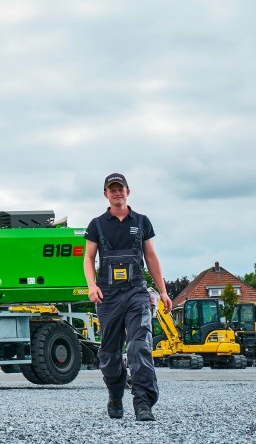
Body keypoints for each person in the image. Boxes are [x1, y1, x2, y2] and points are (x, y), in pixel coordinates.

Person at [83, 173, 171, 422]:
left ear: (128, 192)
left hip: (136, 292)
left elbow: (151, 257)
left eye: (120, 188)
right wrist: (92, 286)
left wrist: (162, 291)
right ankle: (115, 395)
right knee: (109, 354)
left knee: (139, 347)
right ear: (106, 194)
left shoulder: (142, 222)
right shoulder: (97, 224)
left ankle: (143, 403)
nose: (117, 193)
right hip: (108, 296)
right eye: (112, 189)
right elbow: (88, 258)